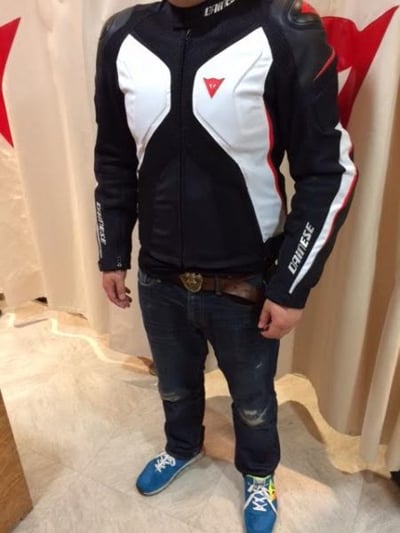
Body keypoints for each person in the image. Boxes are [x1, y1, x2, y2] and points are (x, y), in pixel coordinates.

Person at [94, 0, 357, 531]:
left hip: (245, 282)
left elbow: (328, 172)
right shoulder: (122, 34)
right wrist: (113, 251)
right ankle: (182, 444)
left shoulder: (286, 27)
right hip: (158, 274)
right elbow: (114, 158)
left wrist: (291, 286)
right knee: (174, 385)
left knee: (254, 402)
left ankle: (259, 472)